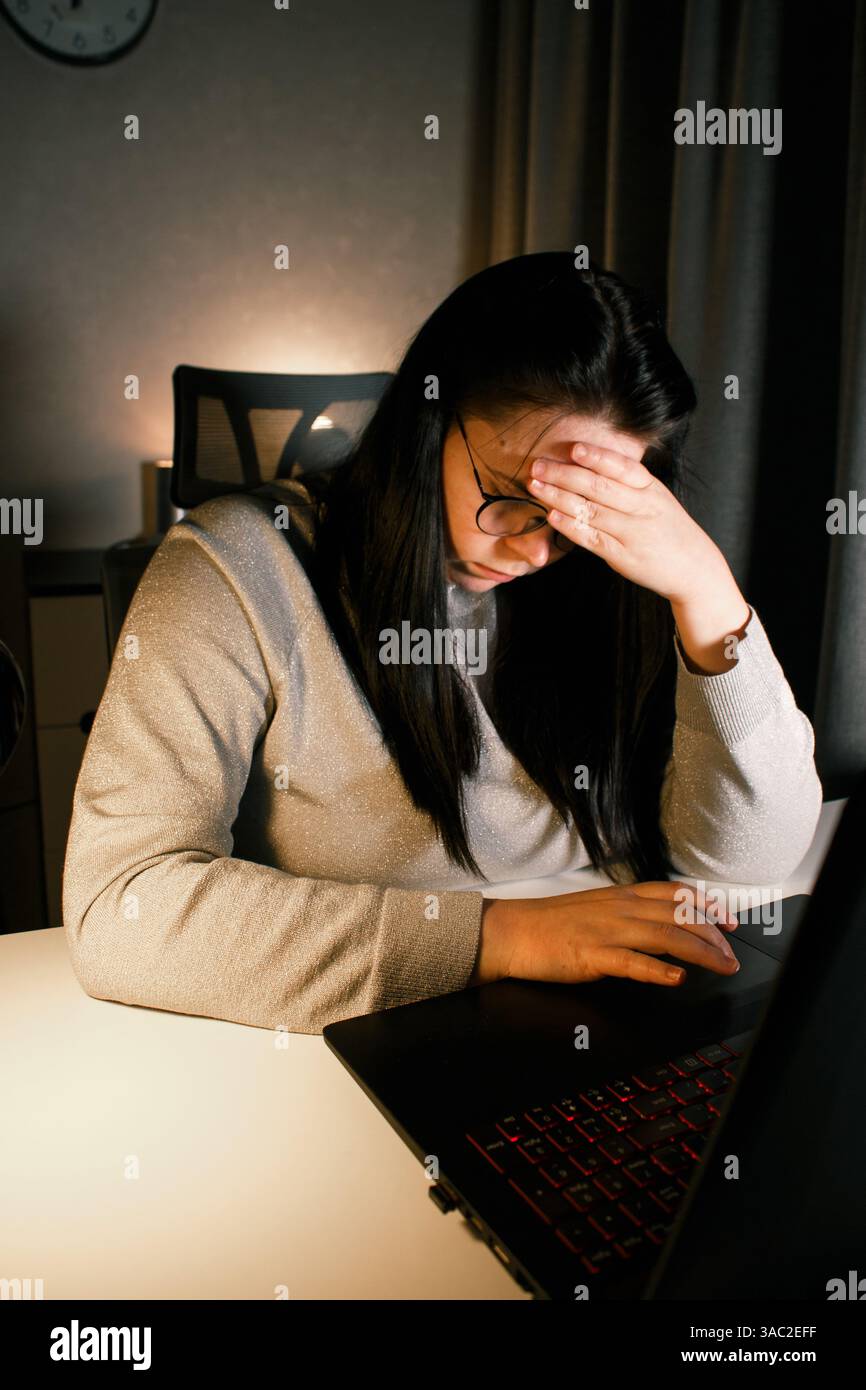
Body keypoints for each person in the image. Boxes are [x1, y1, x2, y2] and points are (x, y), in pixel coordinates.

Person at [62, 253, 823, 1034]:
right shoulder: (239, 565)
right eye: (514, 497)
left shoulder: (606, 566)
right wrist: (498, 937)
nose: (536, 550)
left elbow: (748, 864)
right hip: (384, 1020)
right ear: (428, 422)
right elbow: (122, 908)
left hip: (615, 1010)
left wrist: (709, 597)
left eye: (581, 510)